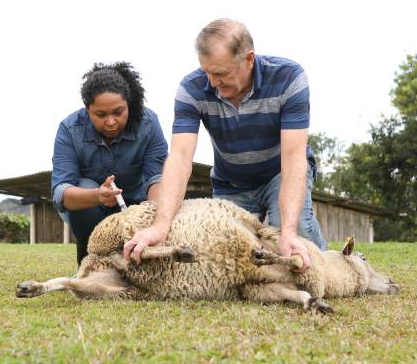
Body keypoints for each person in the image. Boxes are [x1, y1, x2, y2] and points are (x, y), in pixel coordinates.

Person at [123, 18, 326, 271]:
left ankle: (331, 268)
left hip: (279, 174)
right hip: (231, 183)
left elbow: (294, 157)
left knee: (291, 238)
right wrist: (160, 225)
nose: (212, 82)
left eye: (220, 73)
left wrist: (289, 229)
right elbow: (180, 157)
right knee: (226, 253)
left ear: (249, 59)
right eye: (207, 71)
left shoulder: (290, 78)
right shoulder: (191, 88)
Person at [52, 62, 168, 266]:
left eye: (118, 112)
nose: (111, 122)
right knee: (84, 186)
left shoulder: (149, 124)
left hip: (136, 208)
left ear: (129, 105)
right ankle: (88, 262)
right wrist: (97, 195)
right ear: (87, 109)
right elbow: (61, 194)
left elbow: (157, 178)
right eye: (101, 115)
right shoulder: (69, 129)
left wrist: (149, 217)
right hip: (91, 210)